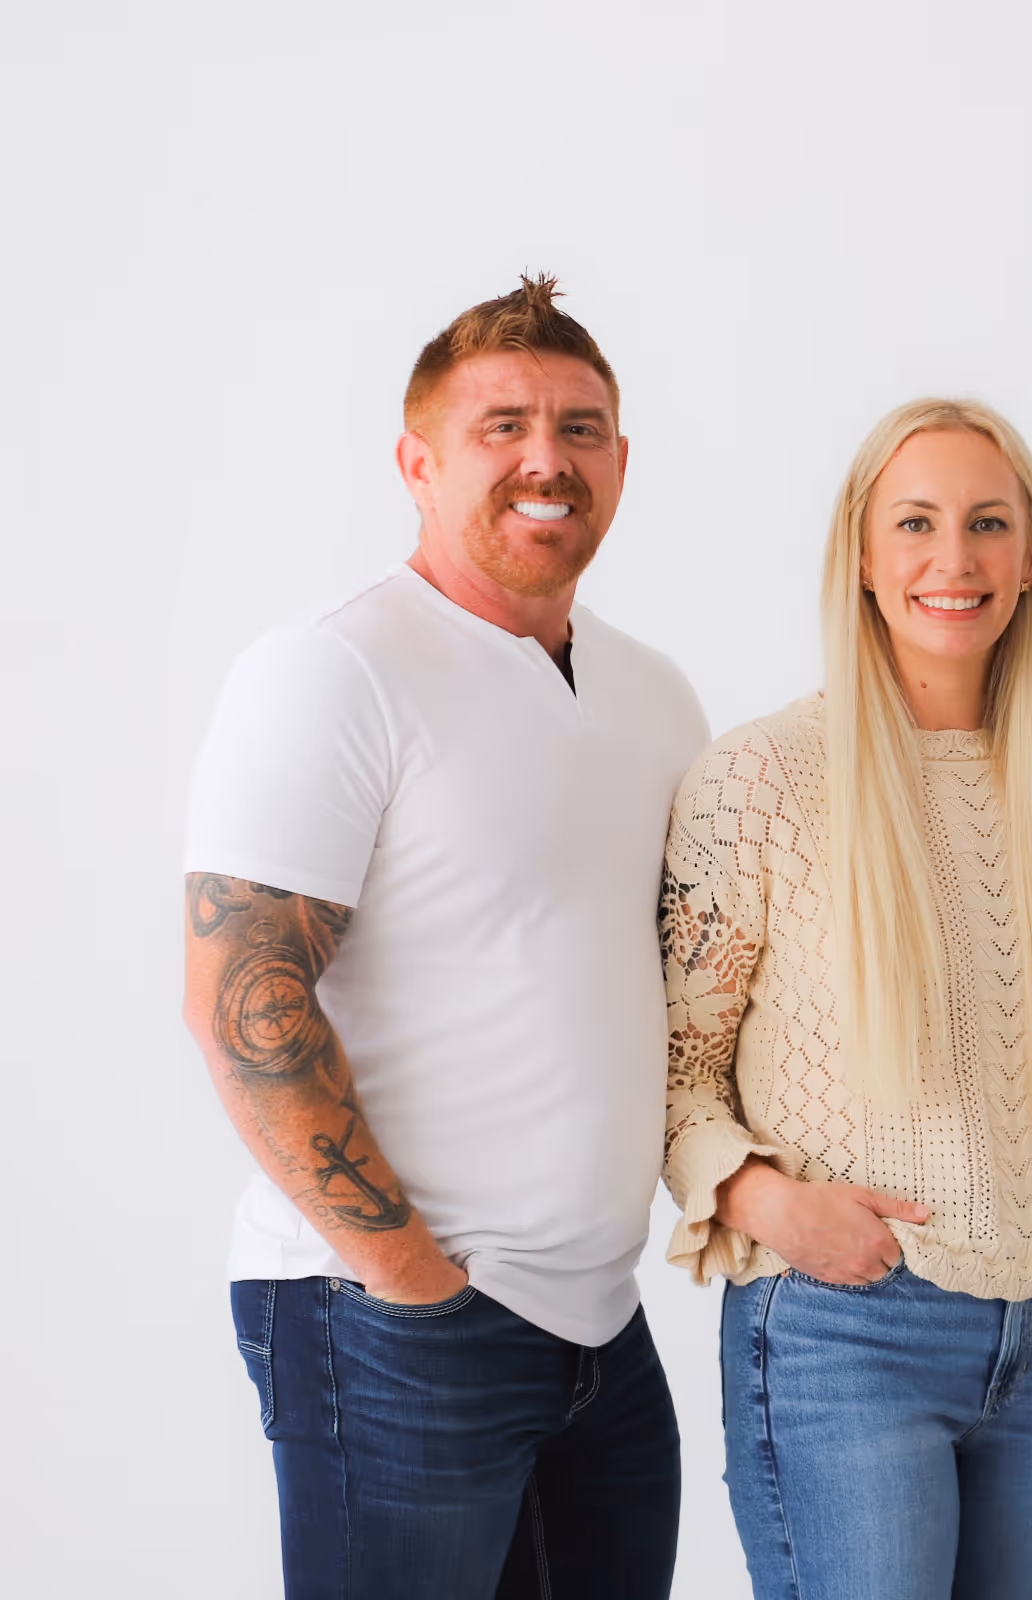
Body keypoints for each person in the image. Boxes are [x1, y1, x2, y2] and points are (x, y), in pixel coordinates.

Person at [184, 276, 709, 1598]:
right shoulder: (333, 670)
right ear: (417, 462)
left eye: (582, 429)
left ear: (623, 462)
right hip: (397, 1316)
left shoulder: (656, 696)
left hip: (601, 1325)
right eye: (503, 426)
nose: (548, 459)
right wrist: (407, 1276)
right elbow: (245, 994)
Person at [657, 397, 1032, 1600]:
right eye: (919, 524)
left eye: (990, 523)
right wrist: (764, 1200)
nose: (956, 559)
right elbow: (678, 1067)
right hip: (850, 1334)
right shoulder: (759, 777)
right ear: (865, 558)